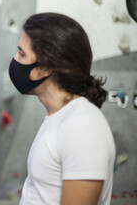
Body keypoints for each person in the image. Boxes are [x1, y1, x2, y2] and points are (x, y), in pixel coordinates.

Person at [8, 13, 116, 205]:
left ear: (47, 66)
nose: (15, 59)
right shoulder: (61, 118)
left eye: (22, 53)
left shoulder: (82, 126)